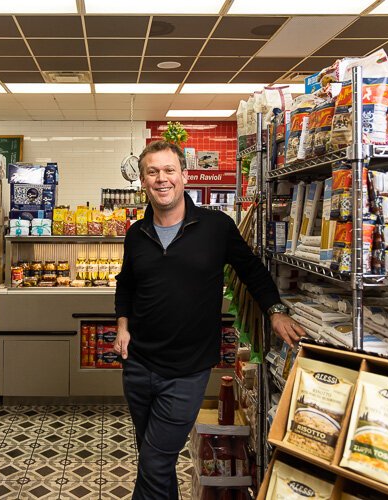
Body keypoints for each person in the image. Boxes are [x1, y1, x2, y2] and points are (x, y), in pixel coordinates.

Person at [114, 141, 305, 500]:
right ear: (143, 181)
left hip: (186, 371)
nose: (162, 179)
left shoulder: (216, 227)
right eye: (153, 172)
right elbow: (126, 284)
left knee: (154, 461)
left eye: (169, 170)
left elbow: (252, 271)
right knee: (155, 459)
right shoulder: (136, 234)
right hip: (138, 366)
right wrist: (123, 326)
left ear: (184, 176)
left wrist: (275, 311)